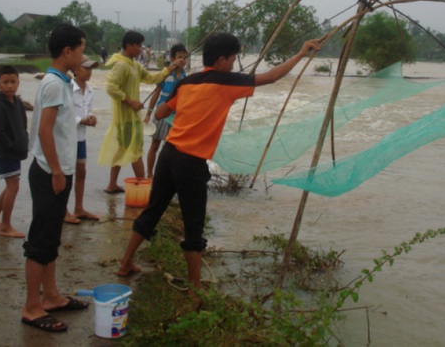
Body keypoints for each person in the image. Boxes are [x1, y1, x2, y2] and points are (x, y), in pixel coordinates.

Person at [116, 33, 321, 303]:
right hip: (190, 163)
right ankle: (194, 289)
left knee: (152, 211)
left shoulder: (187, 81)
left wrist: (180, 97)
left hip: (169, 154)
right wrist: (302, 52)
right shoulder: (226, 81)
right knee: (194, 227)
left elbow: (161, 112)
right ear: (222, 59)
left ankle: (125, 264)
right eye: (234, 59)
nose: (235, 64)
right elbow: (271, 77)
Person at [20, 24, 89, 333]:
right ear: (67, 51)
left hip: (59, 168)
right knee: (40, 240)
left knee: (51, 238)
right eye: (81, 49)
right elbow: (45, 130)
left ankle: (51, 296)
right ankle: (31, 307)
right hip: (50, 171)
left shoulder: (62, 82)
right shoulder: (53, 84)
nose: (83, 55)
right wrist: (58, 171)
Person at [99, 31, 184, 193]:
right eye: (138, 45)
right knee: (136, 151)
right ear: (129, 45)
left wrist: (169, 68)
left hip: (130, 116)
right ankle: (145, 189)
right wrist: (130, 101)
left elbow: (152, 79)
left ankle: (112, 184)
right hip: (126, 117)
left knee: (122, 149)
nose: (141, 49)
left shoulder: (134, 65)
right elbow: (111, 88)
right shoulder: (122, 65)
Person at [0, 66, 29, 238]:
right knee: (13, 187)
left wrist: (23, 142)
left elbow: (23, 125)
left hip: (16, 151)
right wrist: (10, 145)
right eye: (5, 82)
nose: (9, 86)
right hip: (6, 153)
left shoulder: (17, 102)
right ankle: (5, 225)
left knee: (11, 186)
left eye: (13, 82)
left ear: (18, 82)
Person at [63, 57, 99, 224]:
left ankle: (79, 208)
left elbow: (86, 111)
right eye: (87, 68)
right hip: (68, 137)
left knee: (81, 172)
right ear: (76, 70)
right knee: (66, 174)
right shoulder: (68, 88)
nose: (90, 72)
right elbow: (63, 114)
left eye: (91, 69)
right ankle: (63, 210)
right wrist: (81, 121)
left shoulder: (90, 90)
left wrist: (90, 118)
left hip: (81, 137)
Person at [143, 43, 188, 179]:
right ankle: (150, 174)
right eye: (179, 57)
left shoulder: (186, 78)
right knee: (155, 145)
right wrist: (148, 113)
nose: (182, 60)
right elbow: (156, 93)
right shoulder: (165, 74)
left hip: (176, 117)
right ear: (173, 58)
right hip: (161, 114)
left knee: (171, 149)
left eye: (184, 57)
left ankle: (166, 176)